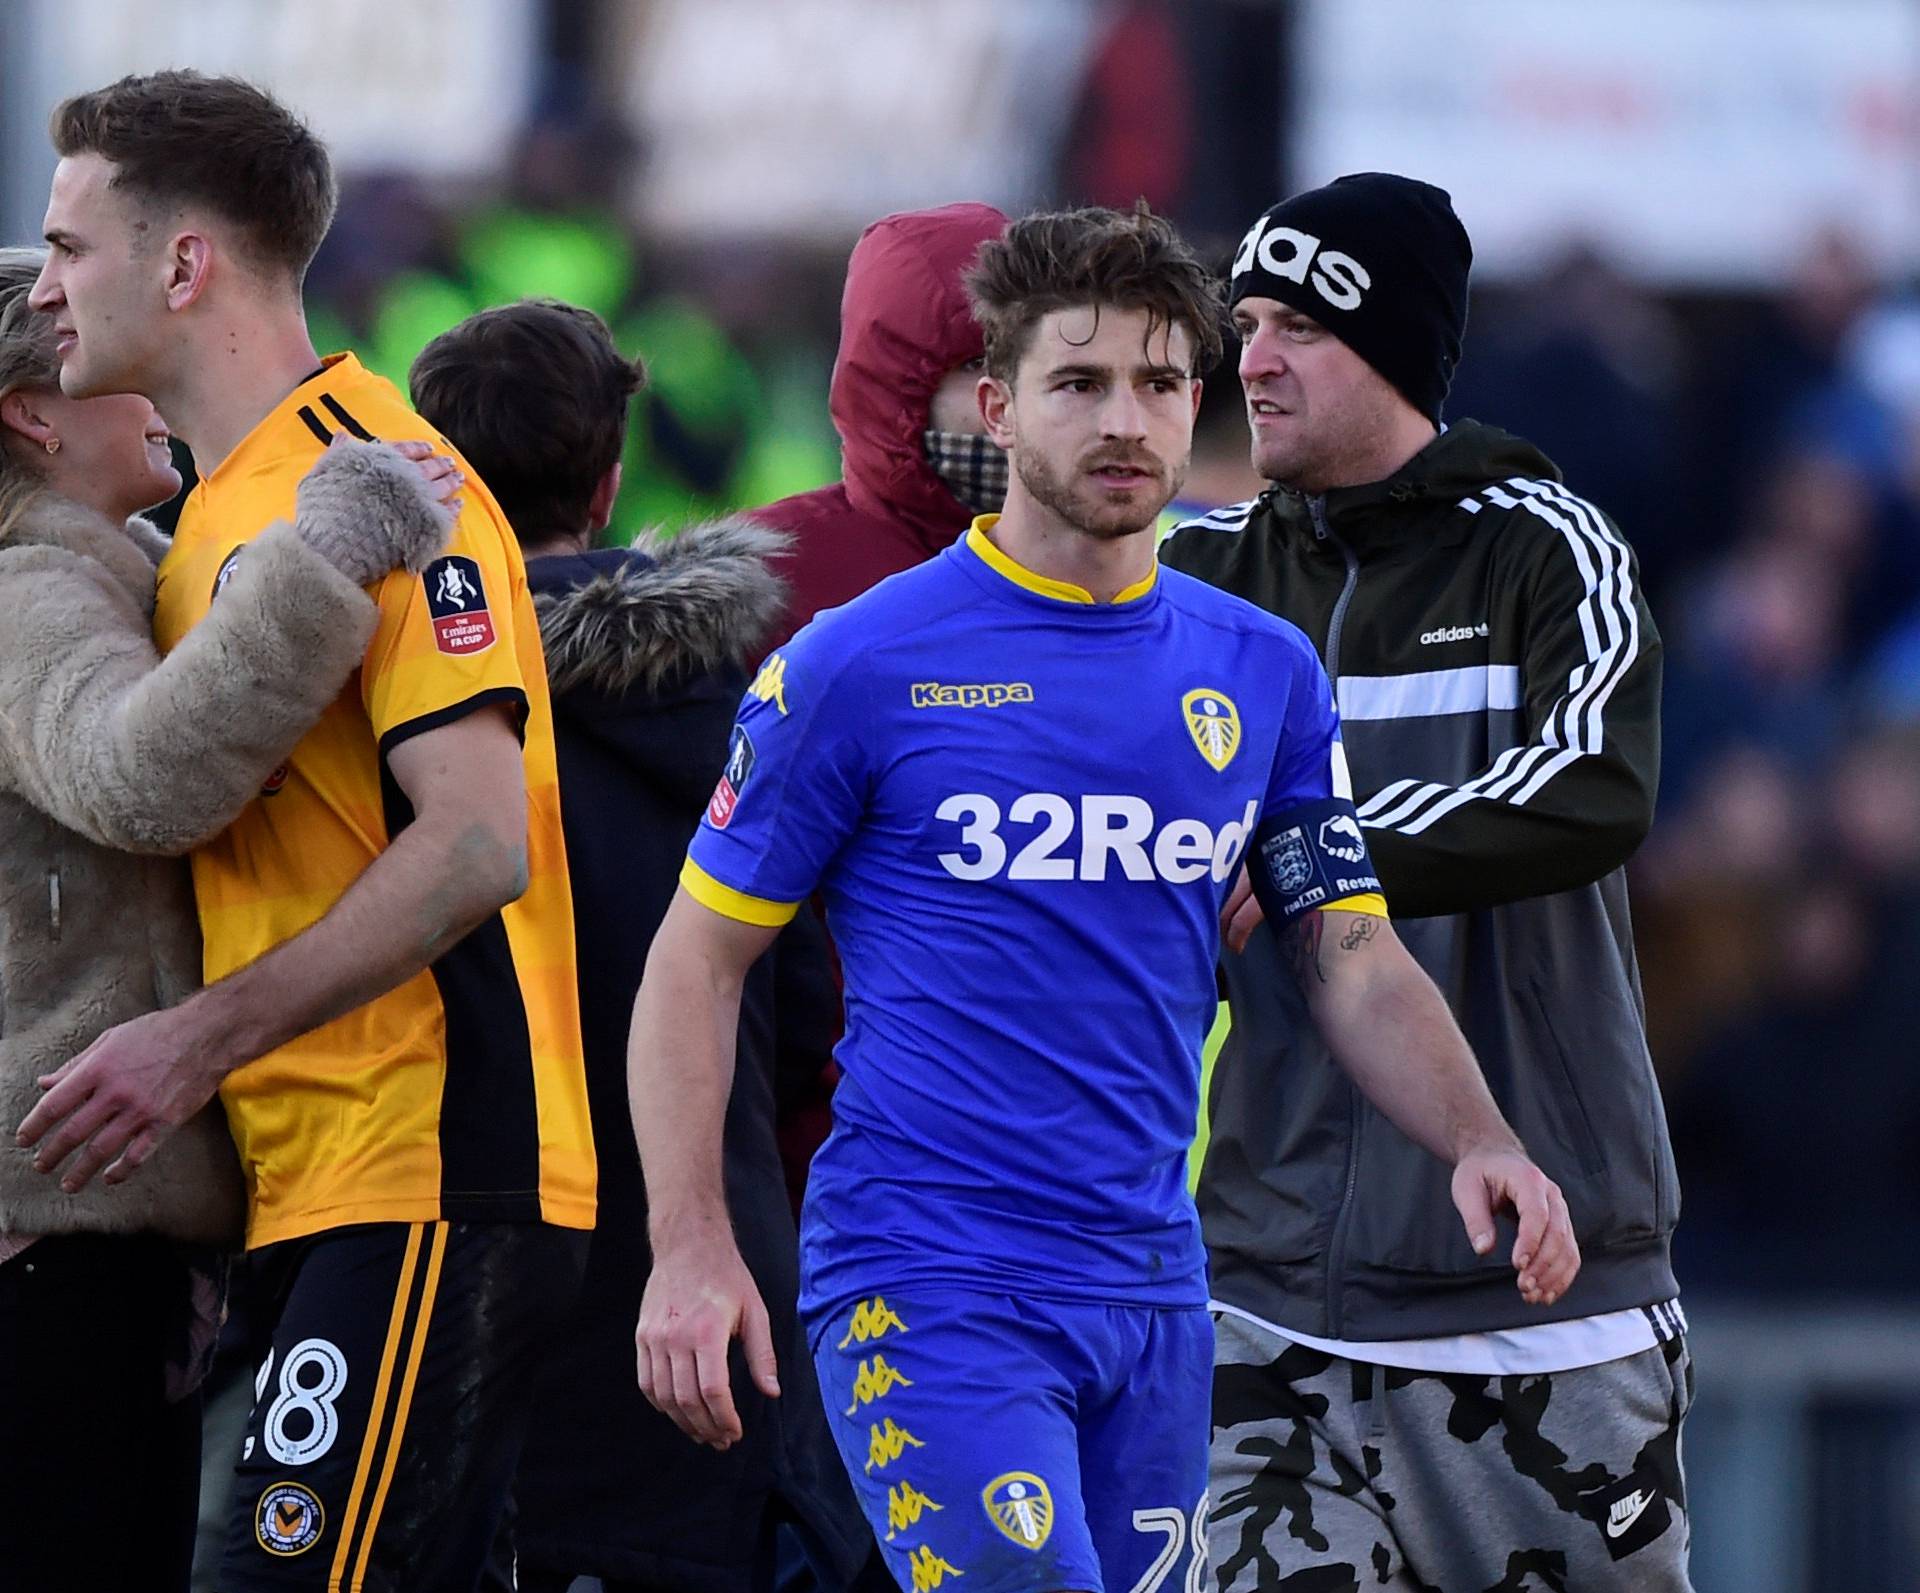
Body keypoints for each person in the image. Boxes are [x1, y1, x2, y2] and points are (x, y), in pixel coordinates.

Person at [627, 204, 1577, 1593]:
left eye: (1161, 382)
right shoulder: (860, 666)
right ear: (1000, 407)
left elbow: (1351, 957)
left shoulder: (1264, 671)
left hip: (1151, 1290)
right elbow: (692, 969)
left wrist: (1480, 1136)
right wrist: (691, 1246)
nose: (1128, 420)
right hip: (929, 1277)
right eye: (1081, 383)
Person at [16, 72, 596, 1591]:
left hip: (429, 1166)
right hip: (313, 1183)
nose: (48, 280)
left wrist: (192, 1043)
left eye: (72, 246)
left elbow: (477, 845)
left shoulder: (391, 483)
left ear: (184, 263)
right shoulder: (209, 516)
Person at [1159, 173, 1686, 1590]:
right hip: (1259, 1292)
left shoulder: (1547, 546)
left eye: (1294, 329)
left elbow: (1593, 792)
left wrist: (1325, 851)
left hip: (1541, 1292)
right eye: (1243, 322)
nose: (1248, 360)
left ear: (1394, 350)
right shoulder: (1186, 576)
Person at [0, 246, 455, 1590]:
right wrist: (329, 553)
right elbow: (143, 778)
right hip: (52, 1250)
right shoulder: (31, 588)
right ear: (32, 410)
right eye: (101, 355)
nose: (147, 384)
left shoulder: (115, 570)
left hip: (103, 1243)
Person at [410, 299, 871, 1593]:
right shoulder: (745, 717)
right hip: (710, 1289)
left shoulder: (388, 720)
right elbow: (804, 1028)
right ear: (611, 484)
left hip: (453, 1268)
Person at [752, 200, 1009, 656]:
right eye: (977, 365)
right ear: (898, 390)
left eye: (1034, 362)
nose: (1012, 397)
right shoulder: (769, 583)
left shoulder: (1123, 561)